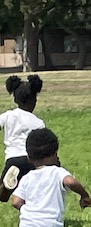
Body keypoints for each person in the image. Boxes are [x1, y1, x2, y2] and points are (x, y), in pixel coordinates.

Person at [0, 75, 46, 204]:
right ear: (34, 100)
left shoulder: (8, 116)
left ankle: (6, 184)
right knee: (32, 190)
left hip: (13, 159)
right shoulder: (38, 122)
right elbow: (42, 144)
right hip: (31, 160)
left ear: (15, 99)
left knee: (2, 196)